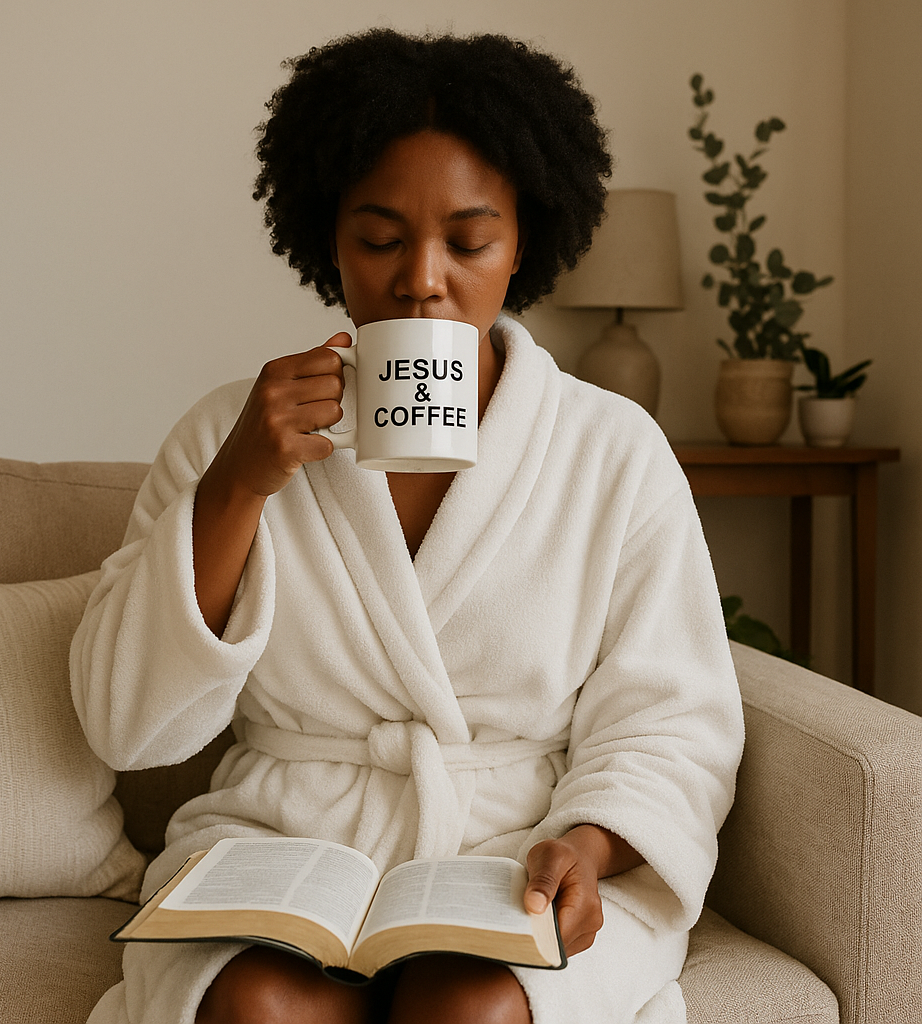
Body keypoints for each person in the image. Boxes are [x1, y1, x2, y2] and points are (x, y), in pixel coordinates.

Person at [71, 29, 744, 1024]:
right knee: (254, 1002)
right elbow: (128, 724)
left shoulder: (612, 450)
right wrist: (234, 491)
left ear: (524, 243)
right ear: (327, 239)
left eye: (467, 241)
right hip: (282, 852)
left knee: (465, 1008)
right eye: (380, 240)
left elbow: (672, 715)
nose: (421, 278)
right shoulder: (230, 433)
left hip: (514, 853)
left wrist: (591, 844)